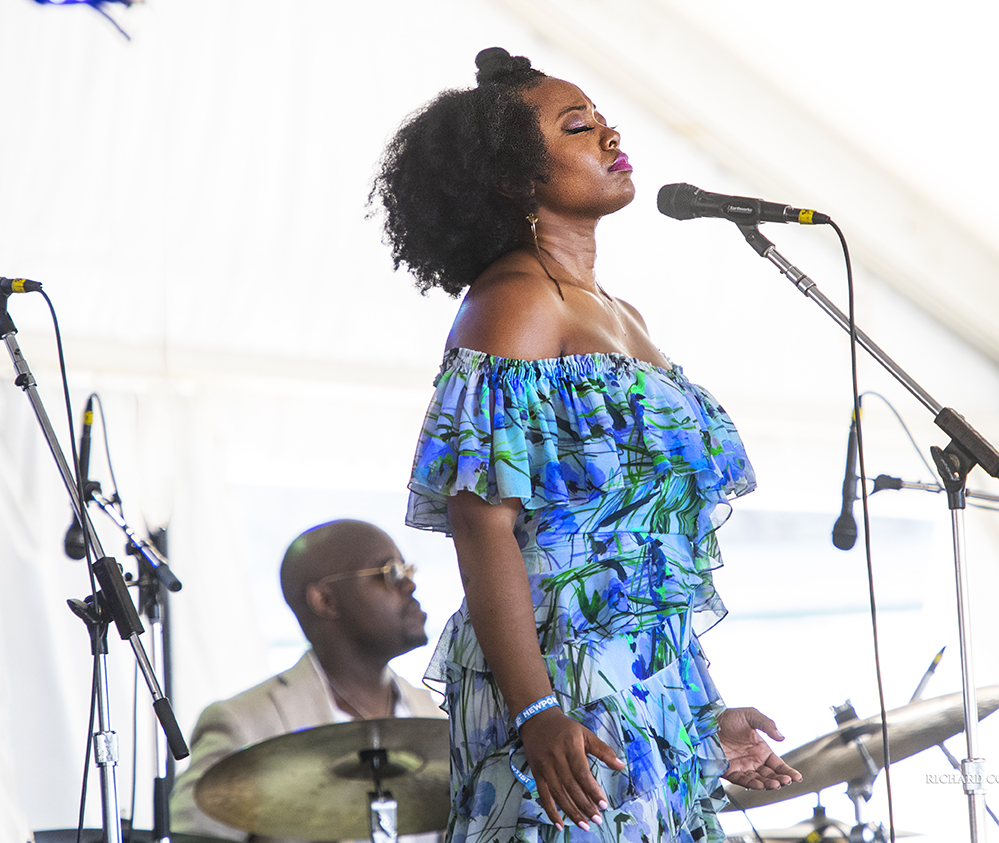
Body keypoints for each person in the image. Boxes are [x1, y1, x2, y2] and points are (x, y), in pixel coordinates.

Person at [371, 48, 800, 843]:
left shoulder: (622, 315)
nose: (609, 136)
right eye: (579, 126)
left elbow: (641, 557)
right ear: (512, 177)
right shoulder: (513, 302)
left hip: (642, 678)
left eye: (604, 120)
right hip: (555, 684)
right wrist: (536, 709)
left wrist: (698, 715)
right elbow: (483, 522)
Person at [169, 519, 442, 843]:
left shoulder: (437, 718)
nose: (409, 585)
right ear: (324, 600)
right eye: (390, 572)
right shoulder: (244, 723)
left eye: (407, 571)